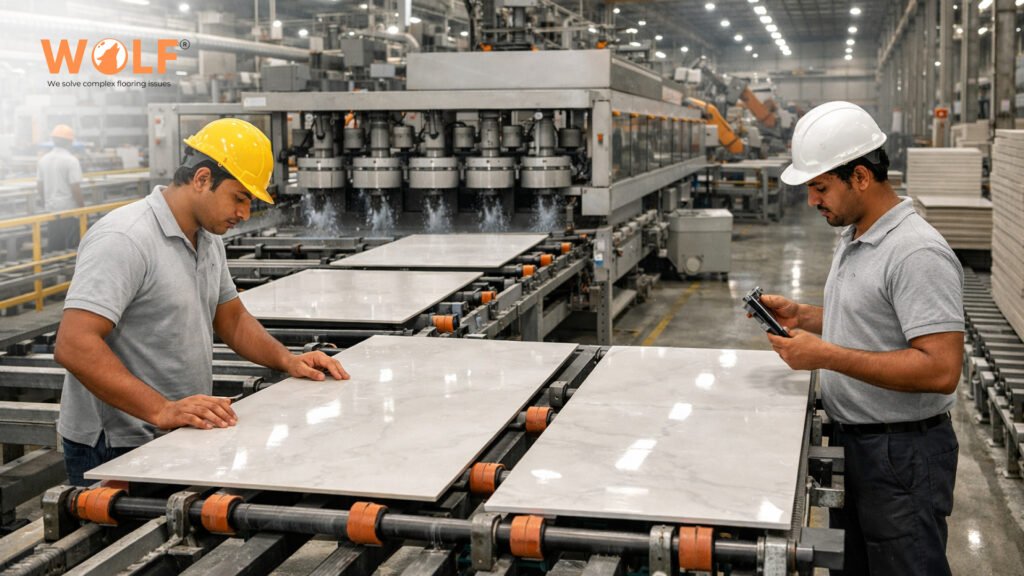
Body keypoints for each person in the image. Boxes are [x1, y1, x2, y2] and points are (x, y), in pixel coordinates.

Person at [54, 118, 350, 486]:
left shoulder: (208, 239)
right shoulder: (125, 238)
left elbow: (231, 318)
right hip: (116, 444)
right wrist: (161, 409)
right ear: (202, 179)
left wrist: (288, 360)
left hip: (179, 429)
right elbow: (74, 345)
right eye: (239, 197)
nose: (245, 213)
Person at [762, 101, 963, 576]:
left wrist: (826, 356)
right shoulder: (856, 233)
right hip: (858, 444)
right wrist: (804, 316)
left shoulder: (916, 253)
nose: (812, 201)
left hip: (902, 457)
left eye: (819, 186)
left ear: (860, 178)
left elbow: (940, 368)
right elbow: (874, 320)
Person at [37, 124, 84, 251]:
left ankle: (53, 263)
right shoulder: (71, 160)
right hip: (68, 209)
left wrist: (44, 201)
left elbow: (40, 185)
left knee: (54, 242)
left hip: (51, 208)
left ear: (53, 141)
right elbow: (75, 187)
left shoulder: (43, 160)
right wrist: (82, 208)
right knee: (71, 245)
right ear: (70, 142)